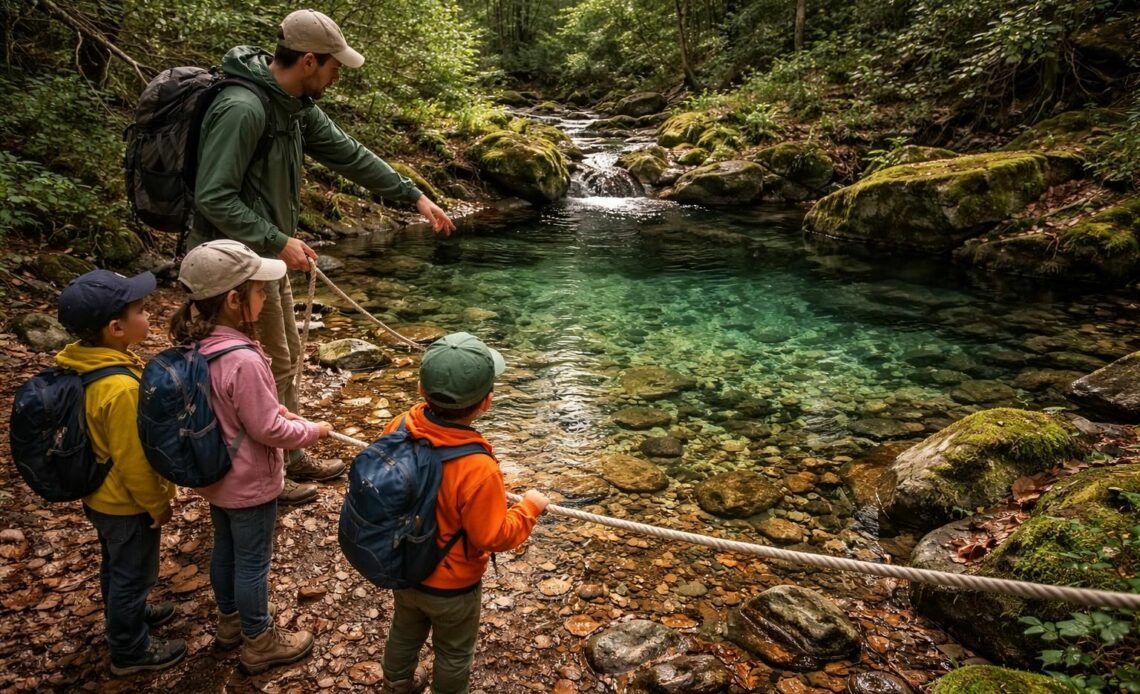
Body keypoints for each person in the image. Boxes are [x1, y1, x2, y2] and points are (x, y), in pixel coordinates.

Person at [189, 8, 457, 505]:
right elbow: (213, 196)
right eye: (335, 68)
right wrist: (278, 240)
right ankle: (262, 472)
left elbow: (349, 154)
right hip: (234, 267)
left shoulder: (293, 107)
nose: (337, 77)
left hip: (265, 256)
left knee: (286, 359)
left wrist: (414, 196)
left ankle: (286, 455)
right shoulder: (245, 109)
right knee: (255, 367)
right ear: (309, 61)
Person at [171, 240, 333, 674]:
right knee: (253, 563)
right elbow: (268, 431)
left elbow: (236, 410)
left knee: (224, 549)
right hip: (250, 483)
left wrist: (273, 409)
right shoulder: (243, 358)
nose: (265, 298)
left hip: (216, 475)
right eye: (260, 291)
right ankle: (259, 639)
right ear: (232, 299)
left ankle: (229, 625)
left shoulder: (198, 344)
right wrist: (312, 431)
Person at [376, 332, 550, 694]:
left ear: (421, 388)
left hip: (402, 565)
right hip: (452, 586)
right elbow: (492, 536)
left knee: (404, 630)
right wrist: (529, 507)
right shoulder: (479, 467)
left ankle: (395, 684)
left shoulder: (398, 426)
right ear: (486, 402)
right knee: (454, 652)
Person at [54, 270, 184, 675]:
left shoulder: (85, 362)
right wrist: (157, 504)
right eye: (142, 311)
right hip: (127, 504)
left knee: (116, 565)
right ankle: (130, 649)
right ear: (116, 328)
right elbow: (134, 460)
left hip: (101, 496)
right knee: (134, 572)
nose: (149, 316)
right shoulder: (121, 389)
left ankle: (130, 614)